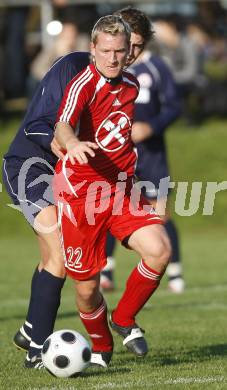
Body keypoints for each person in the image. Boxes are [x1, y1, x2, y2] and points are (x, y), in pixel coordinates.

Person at [2, 7, 167, 369]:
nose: (129, 57)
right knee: (58, 253)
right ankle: (36, 350)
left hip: (82, 175)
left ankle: (32, 330)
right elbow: (41, 123)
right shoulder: (73, 68)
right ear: (98, 46)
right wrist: (69, 144)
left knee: (59, 257)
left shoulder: (124, 81)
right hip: (33, 164)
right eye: (128, 47)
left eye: (134, 49)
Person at [53, 14, 171, 368]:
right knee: (87, 290)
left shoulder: (131, 85)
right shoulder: (83, 85)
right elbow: (62, 124)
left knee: (159, 250)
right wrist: (71, 142)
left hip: (120, 190)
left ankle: (124, 318)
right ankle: (102, 347)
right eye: (106, 50)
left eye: (121, 50)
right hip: (80, 197)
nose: (114, 58)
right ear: (93, 49)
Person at [101, 10, 184, 293]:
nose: (132, 51)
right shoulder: (107, 67)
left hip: (151, 153)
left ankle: (175, 273)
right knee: (108, 210)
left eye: (138, 45)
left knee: (159, 214)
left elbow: (174, 106)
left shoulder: (156, 67)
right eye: (129, 44)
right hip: (115, 156)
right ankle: (105, 271)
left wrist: (151, 126)